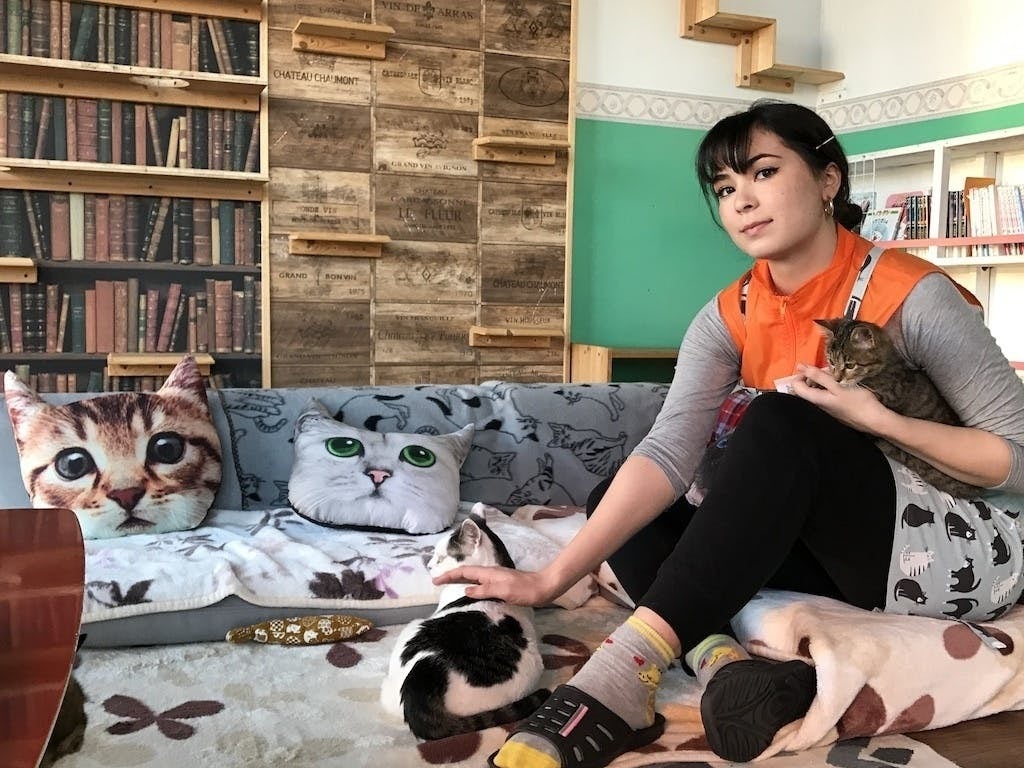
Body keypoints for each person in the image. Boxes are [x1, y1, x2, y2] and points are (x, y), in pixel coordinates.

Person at [434, 99, 1024, 767]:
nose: (742, 200)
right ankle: (725, 669)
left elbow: (1018, 458)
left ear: (828, 180)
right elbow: (666, 455)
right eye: (724, 188)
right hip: (843, 553)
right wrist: (549, 579)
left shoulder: (913, 294)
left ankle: (624, 673)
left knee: (782, 420)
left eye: (764, 173)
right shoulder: (730, 312)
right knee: (619, 502)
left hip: (959, 549)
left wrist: (879, 420)